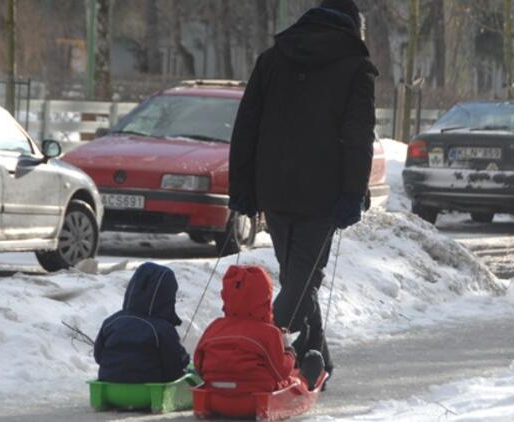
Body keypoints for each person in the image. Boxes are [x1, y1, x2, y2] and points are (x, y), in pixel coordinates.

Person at [228, 0, 377, 386]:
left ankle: (318, 363)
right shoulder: (356, 68)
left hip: (273, 187)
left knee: (300, 277)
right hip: (323, 193)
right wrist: (351, 192)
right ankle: (252, 351)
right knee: (302, 281)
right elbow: (358, 138)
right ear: (353, 26)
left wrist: (243, 187)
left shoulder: (273, 58)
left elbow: (246, 127)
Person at [193, 265, 324, 396]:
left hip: (215, 392)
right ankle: (306, 379)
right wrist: (288, 349)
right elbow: (280, 372)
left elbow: (198, 364)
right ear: (265, 298)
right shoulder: (268, 333)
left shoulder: (214, 327)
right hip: (256, 394)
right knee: (296, 378)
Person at [94, 262, 189, 383]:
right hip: (149, 390)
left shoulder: (111, 322)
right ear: (167, 297)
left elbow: (98, 356)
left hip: (110, 385)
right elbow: (173, 365)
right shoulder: (163, 329)